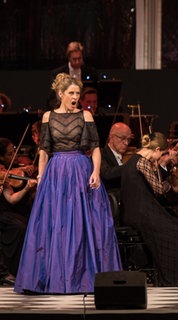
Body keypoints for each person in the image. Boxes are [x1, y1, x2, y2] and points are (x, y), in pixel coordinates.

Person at [14, 73, 122, 294]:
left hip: (80, 171)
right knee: (56, 225)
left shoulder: (86, 117)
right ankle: (52, 278)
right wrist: (42, 178)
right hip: (56, 173)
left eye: (77, 93)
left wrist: (95, 172)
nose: (75, 97)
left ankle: (84, 277)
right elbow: (43, 151)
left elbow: (95, 149)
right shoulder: (48, 117)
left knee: (83, 225)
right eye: (71, 93)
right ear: (60, 94)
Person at [120, 132, 178, 287]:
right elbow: (159, 189)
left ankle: (173, 276)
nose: (159, 158)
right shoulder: (143, 162)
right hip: (143, 212)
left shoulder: (132, 160)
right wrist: (167, 174)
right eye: (162, 154)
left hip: (134, 211)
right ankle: (177, 277)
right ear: (157, 149)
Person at [1, 138, 38, 286]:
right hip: (3, 213)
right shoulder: (4, 173)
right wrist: (19, 171)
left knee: (28, 223)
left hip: (8, 211)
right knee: (20, 227)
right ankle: (11, 270)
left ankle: (27, 269)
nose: (15, 156)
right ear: (2, 157)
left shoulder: (6, 177)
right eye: (10, 154)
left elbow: (11, 199)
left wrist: (27, 188)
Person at [100, 122, 133, 214]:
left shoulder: (127, 156)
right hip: (112, 202)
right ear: (111, 137)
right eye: (122, 138)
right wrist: (131, 165)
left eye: (129, 140)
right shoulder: (101, 154)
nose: (126, 143)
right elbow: (107, 174)